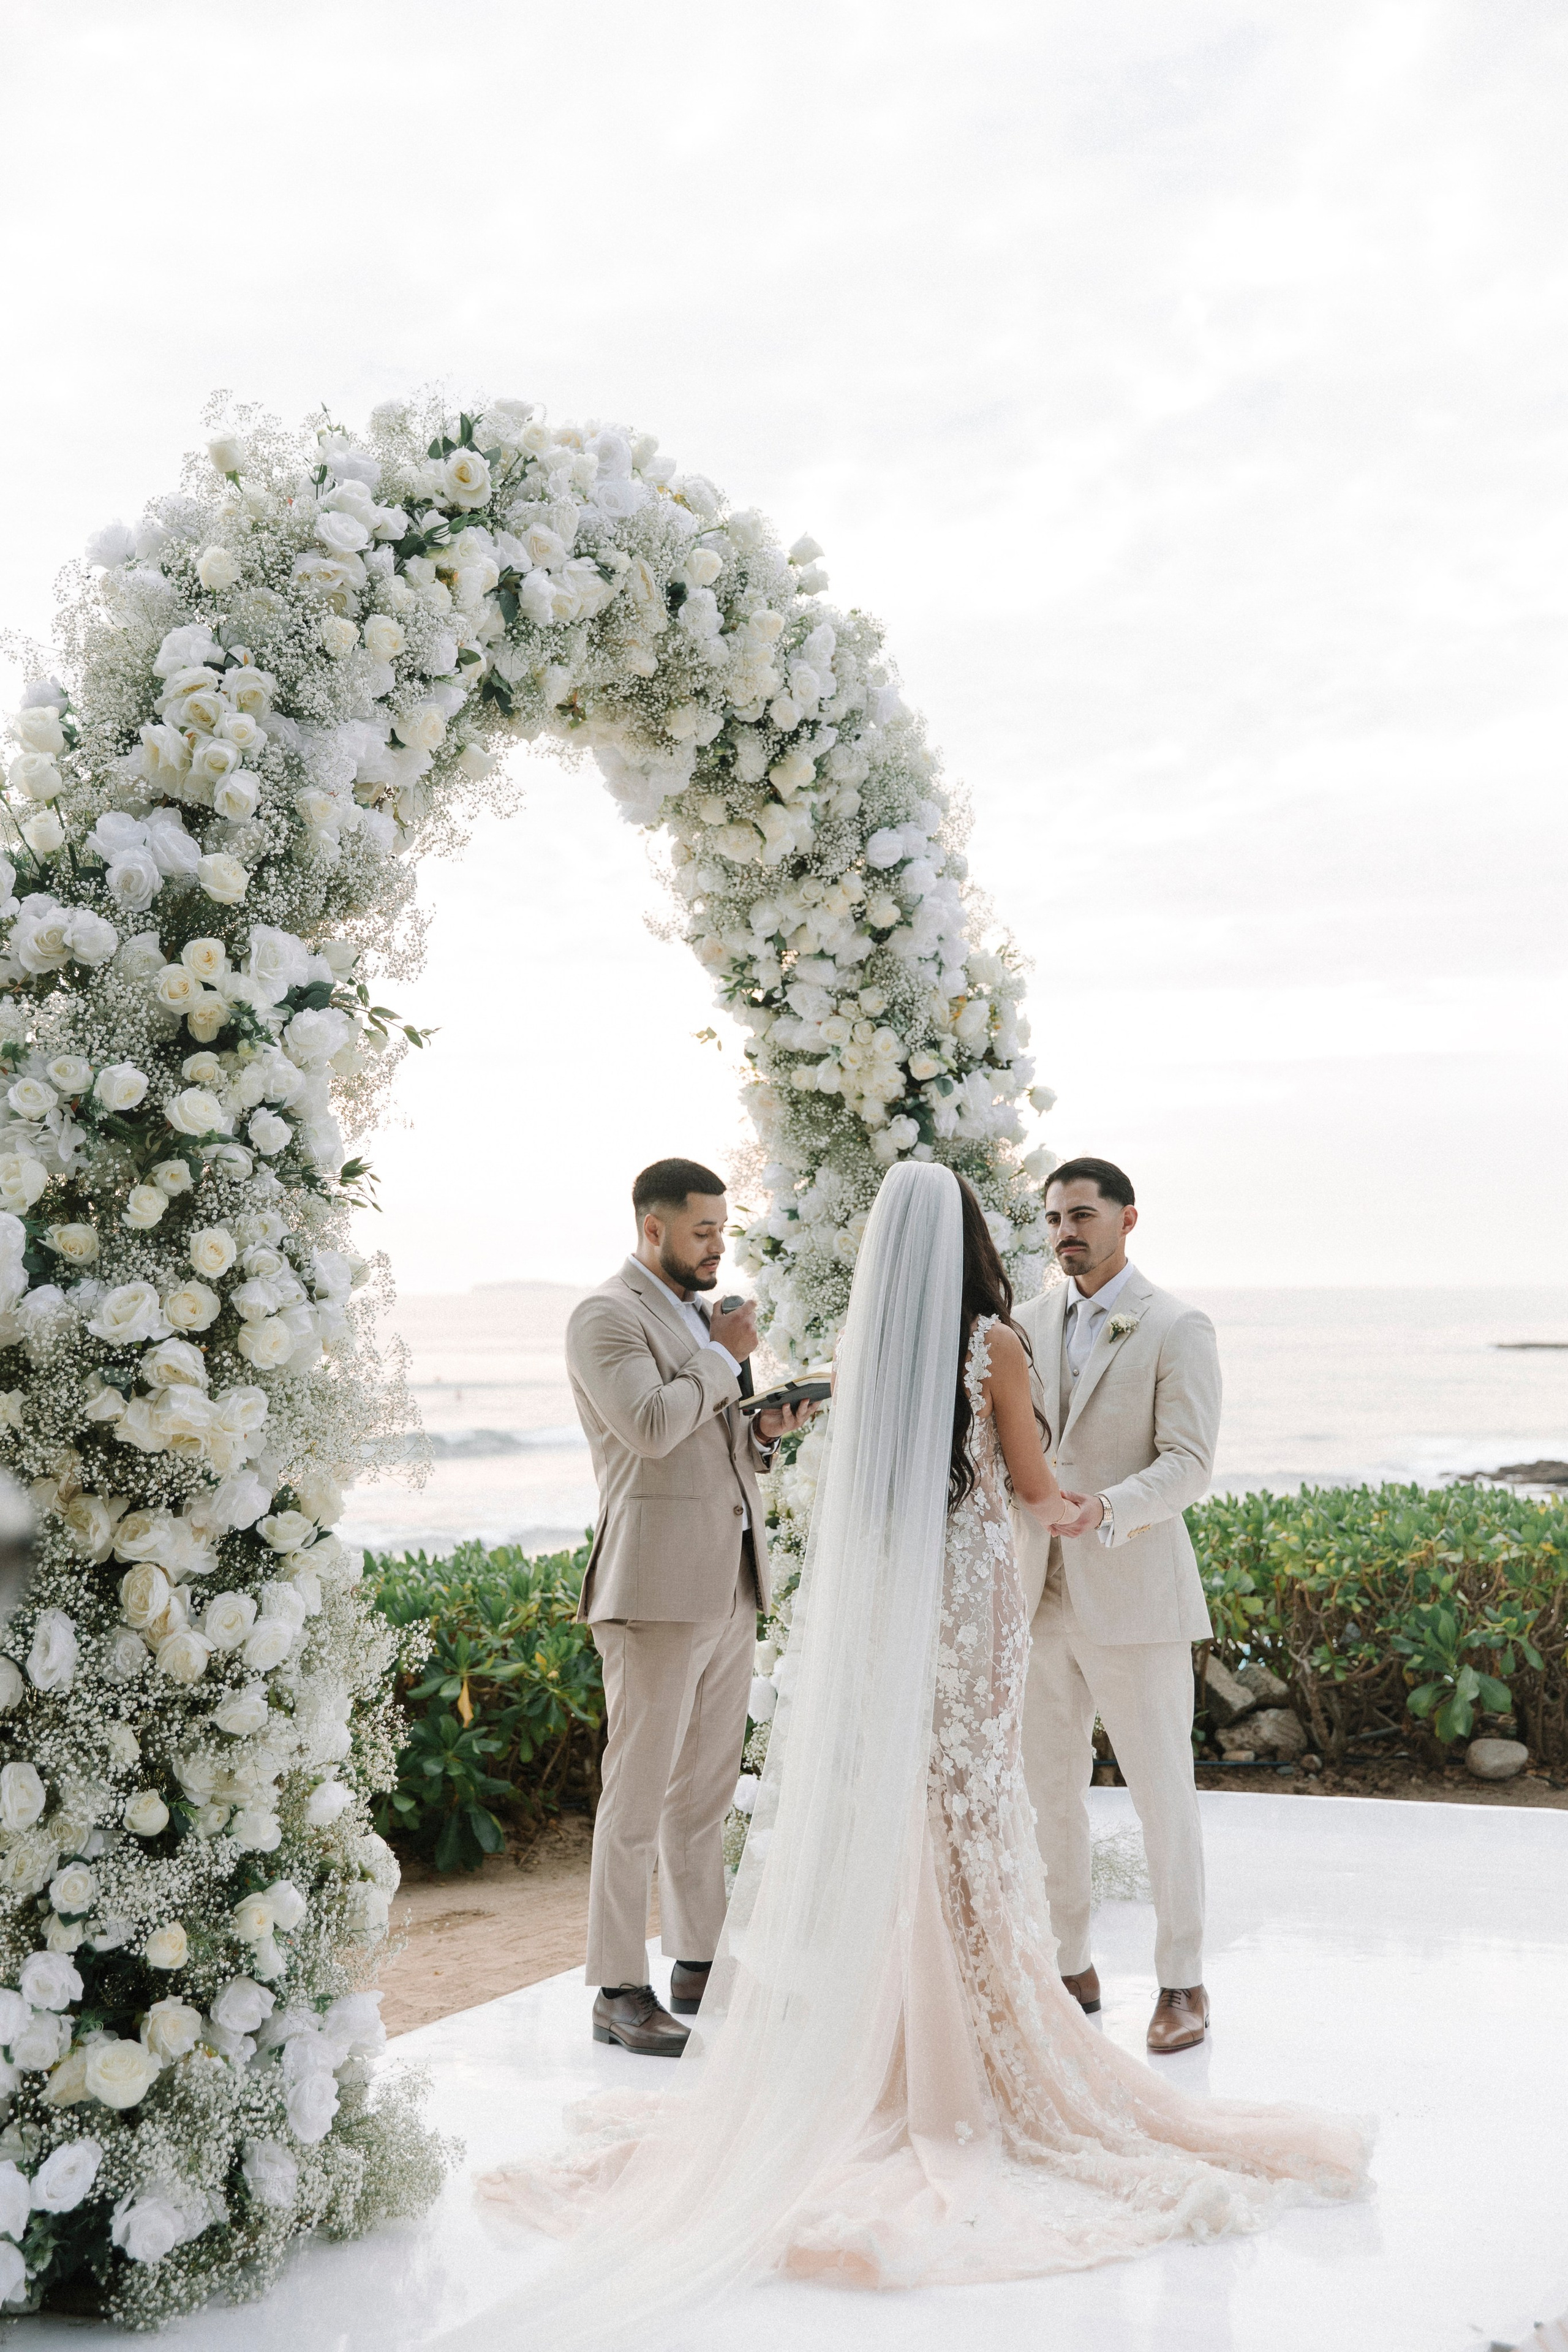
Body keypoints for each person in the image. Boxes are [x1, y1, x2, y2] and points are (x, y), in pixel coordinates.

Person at [468, 1162, 1368, 2348]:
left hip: (907, 1608)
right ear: (975, 1240)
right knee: (980, 1804)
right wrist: (1068, 1501)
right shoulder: (995, 1346)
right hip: (980, 1606)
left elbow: (872, 1491)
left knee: (925, 1810)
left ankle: (910, 2031)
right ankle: (990, 2027)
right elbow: (1036, 1487)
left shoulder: (876, 1354)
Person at [566, 1157, 816, 2057]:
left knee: (703, 1797)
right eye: (703, 1230)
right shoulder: (605, 1316)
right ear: (653, 1229)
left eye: (723, 1230)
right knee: (635, 1799)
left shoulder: (695, 1320)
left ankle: (698, 1965)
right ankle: (616, 1989)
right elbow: (651, 1427)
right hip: (652, 1590)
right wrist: (724, 1359)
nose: (718, 1246)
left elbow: (707, 1444)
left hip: (728, 1583)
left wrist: (763, 1431)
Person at [1013, 1157, 1220, 2054]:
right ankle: (1070, 1967)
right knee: (1046, 1793)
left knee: (1160, 1794)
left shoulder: (1177, 1326)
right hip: (1038, 1600)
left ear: (1128, 1220)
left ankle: (1183, 1982)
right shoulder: (1022, 1324)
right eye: (1057, 1216)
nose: (1068, 1230)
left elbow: (1189, 1463)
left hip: (1133, 1591)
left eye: (1084, 1214)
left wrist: (1105, 1510)